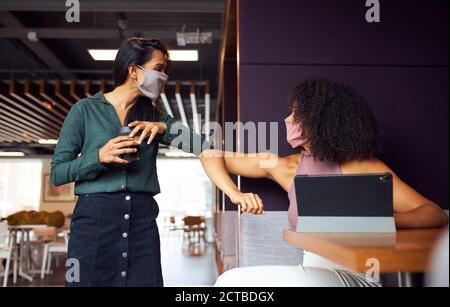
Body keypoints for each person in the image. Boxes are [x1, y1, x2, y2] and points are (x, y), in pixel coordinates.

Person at [200, 78, 448, 287]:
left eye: (296, 113)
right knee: (230, 282)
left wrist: (381, 222)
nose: (288, 118)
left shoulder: (363, 166)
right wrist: (235, 194)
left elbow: (435, 214)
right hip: (316, 274)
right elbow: (209, 155)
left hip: (358, 278)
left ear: (320, 119)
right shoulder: (286, 167)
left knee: (232, 283)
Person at [51, 37, 212, 287]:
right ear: (134, 71)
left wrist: (162, 129)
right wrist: (98, 157)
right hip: (94, 224)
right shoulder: (84, 110)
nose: (164, 76)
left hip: (142, 223)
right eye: (158, 69)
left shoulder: (155, 116)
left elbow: (203, 146)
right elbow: (58, 173)